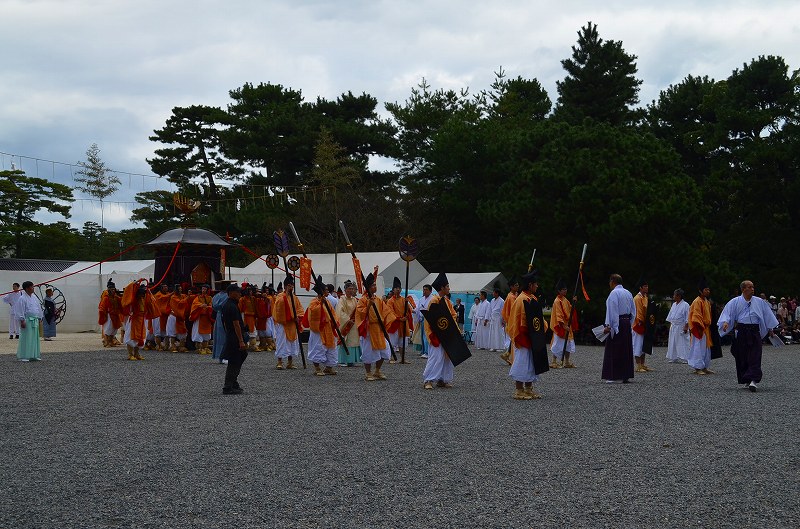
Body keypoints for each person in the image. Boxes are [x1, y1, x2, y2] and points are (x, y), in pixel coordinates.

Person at [718, 280, 779, 392]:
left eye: (753, 287)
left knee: (755, 355)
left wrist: (771, 329)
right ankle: (747, 377)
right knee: (742, 355)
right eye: (749, 287)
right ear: (743, 289)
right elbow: (728, 313)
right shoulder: (735, 301)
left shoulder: (759, 301)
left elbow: (767, 315)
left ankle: (753, 380)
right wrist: (726, 322)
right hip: (742, 330)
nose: (752, 289)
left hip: (754, 331)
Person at [507, 271, 547, 399]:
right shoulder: (521, 299)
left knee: (532, 362)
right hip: (523, 336)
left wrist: (540, 329)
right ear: (530, 285)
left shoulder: (532, 298)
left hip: (532, 336)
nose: (537, 286)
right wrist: (528, 332)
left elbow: (538, 318)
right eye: (535, 284)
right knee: (522, 362)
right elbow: (518, 320)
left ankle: (529, 389)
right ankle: (519, 390)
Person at [421, 272, 460, 389]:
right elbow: (431, 319)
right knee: (436, 357)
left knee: (447, 357)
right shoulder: (434, 300)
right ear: (442, 288)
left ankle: (442, 379)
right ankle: (428, 380)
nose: (449, 288)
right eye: (447, 286)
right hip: (437, 334)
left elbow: (453, 315)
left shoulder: (447, 301)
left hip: (447, 333)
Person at [356, 272, 392, 381]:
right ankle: (368, 373)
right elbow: (360, 313)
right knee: (368, 352)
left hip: (379, 328)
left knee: (384, 350)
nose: (375, 287)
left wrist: (386, 321)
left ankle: (377, 370)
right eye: (373, 285)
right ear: (368, 287)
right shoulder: (363, 300)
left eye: (375, 285)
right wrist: (368, 305)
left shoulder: (378, 299)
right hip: (369, 328)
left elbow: (386, 311)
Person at [602, 274, 636, 383]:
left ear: (613, 281)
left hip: (618, 322)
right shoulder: (628, 293)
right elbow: (633, 311)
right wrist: (630, 323)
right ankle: (625, 375)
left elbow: (612, 311)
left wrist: (610, 326)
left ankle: (614, 376)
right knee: (625, 349)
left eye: (610, 282)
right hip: (626, 322)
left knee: (614, 349)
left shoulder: (614, 293)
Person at [303, 276, 340, 376]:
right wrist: (320, 305)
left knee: (331, 347)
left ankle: (329, 367)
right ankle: (317, 368)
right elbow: (313, 312)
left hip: (328, 327)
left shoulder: (327, 301)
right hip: (319, 328)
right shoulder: (314, 302)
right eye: (326, 290)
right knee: (318, 347)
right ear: (321, 291)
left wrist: (335, 322)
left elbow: (333, 313)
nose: (328, 291)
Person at [221, 284, 248, 394]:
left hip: (232, 335)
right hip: (235, 336)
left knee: (241, 356)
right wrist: (241, 341)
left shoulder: (229, 304)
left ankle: (233, 382)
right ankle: (228, 386)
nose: (239, 294)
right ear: (231, 293)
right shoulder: (231, 306)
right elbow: (236, 324)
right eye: (238, 292)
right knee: (234, 360)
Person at [121, 280, 158, 361]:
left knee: (140, 337)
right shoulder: (133, 299)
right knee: (130, 337)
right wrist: (135, 283)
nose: (142, 295)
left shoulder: (145, 299)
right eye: (141, 293)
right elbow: (128, 290)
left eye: (143, 293)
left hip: (142, 320)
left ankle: (137, 353)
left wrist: (148, 291)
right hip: (134, 320)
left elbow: (152, 301)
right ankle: (130, 354)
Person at [272, 275, 304, 370]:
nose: (292, 287)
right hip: (284, 323)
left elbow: (299, 309)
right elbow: (278, 309)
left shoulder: (294, 298)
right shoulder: (280, 297)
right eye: (290, 286)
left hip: (292, 324)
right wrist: (285, 295)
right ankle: (280, 361)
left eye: (292, 286)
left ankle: (290, 362)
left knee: (292, 343)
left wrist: (298, 317)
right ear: (285, 286)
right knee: (281, 342)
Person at [688, 278, 714, 375]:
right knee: (698, 348)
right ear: (700, 291)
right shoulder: (697, 301)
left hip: (705, 328)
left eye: (708, 289)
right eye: (706, 290)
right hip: (699, 328)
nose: (708, 291)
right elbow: (696, 316)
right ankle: (698, 368)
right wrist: (699, 327)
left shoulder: (706, 301)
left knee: (706, 349)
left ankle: (704, 367)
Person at [549, 279, 577, 368]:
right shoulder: (557, 301)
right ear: (559, 291)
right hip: (560, 325)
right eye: (563, 289)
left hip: (567, 325)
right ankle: (553, 361)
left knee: (568, 344)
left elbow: (570, 310)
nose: (565, 291)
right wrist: (564, 326)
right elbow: (558, 314)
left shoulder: (565, 300)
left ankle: (567, 362)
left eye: (566, 289)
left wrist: (574, 302)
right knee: (557, 344)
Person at [12, 281, 43, 361]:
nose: (33, 288)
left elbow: (38, 308)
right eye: (32, 287)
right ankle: (24, 356)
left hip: (35, 319)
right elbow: (20, 310)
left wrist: (40, 317)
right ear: (27, 288)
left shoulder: (34, 297)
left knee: (34, 338)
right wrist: (22, 320)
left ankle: (33, 355)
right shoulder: (22, 298)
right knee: (26, 338)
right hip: (27, 320)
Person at [386, 276, 414, 361]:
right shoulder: (390, 301)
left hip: (403, 323)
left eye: (399, 288)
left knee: (402, 342)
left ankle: (402, 358)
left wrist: (407, 305)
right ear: (393, 290)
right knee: (392, 342)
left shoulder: (403, 300)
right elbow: (390, 312)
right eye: (396, 288)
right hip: (395, 323)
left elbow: (409, 310)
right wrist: (399, 318)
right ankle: (391, 358)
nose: (398, 290)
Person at [335, 280, 362, 366]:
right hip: (346, 323)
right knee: (346, 341)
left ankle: (352, 360)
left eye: (352, 289)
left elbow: (357, 311)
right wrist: (347, 320)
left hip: (354, 324)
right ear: (345, 290)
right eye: (349, 289)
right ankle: (344, 359)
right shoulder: (342, 299)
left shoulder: (354, 300)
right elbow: (340, 312)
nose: (351, 290)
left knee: (353, 341)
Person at [632, 278, 652, 373]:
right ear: (640, 288)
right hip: (638, 324)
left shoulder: (645, 297)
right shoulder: (637, 298)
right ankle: (638, 365)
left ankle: (643, 364)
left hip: (645, 323)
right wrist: (642, 322)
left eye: (647, 286)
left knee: (644, 345)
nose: (647, 288)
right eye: (645, 286)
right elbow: (639, 313)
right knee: (638, 345)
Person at [665, 288, 690, 363]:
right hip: (674, 325)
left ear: (679, 296)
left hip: (681, 325)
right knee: (672, 342)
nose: (673, 296)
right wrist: (670, 325)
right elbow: (671, 316)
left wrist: (686, 326)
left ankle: (685, 358)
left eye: (674, 295)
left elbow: (688, 316)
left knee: (683, 342)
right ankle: (674, 357)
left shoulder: (685, 305)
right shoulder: (674, 305)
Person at [211, 281, 233, 363]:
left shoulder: (216, 296)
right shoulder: (227, 296)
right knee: (225, 335)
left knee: (219, 335)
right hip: (225, 315)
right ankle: (224, 356)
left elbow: (214, 306)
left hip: (218, 315)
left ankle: (220, 356)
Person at [98, 279, 123, 347]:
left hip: (115, 315)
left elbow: (121, 303)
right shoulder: (106, 297)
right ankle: (107, 342)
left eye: (114, 289)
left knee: (114, 329)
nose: (113, 291)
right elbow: (102, 307)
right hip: (109, 315)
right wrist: (103, 313)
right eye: (111, 289)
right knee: (108, 328)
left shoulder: (116, 297)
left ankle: (111, 341)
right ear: (108, 290)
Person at [190, 284, 214, 354]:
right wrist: (200, 305)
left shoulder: (210, 298)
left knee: (207, 333)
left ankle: (205, 347)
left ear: (208, 290)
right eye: (202, 289)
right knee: (198, 332)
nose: (203, 290)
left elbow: (212, 305)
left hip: (207, 318)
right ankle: (199, 348)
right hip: (200, 317)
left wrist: (208, 307)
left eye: (205, 289)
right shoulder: (198, 297)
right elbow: (195, 304)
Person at [500, 279, 519, 364]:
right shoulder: (511, 297)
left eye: (518, 285)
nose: (518, 286)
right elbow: (514, 310)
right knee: (514, 339)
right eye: (516, 285)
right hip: (513, 320)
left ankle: (507, 354)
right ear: (511, 287)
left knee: (513, 339)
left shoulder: (514, 295)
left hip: (512, 320)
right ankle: (512, 358)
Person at [167, 284, 190, 352]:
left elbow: (188, 298)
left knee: (183, 332)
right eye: (179, 289)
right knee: (172, 331)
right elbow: (179, 303)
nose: (180, 290)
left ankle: (181, 346)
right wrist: (187, 297)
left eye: (181, 289)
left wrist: (190, 295)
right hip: (173, 317)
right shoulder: (173, 297)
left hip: (181, 317)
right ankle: (172, 346)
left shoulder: (183, 296)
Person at [412, 284, 433, 358]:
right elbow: (418, 309)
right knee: (422, 336)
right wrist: (412, 310)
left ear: (430, 291)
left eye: (426, 290)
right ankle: (423, 351)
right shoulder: (421, 299)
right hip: (421, 319)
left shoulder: (432, 299)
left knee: (426, 336)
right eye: (423, 290)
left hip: (428, 319)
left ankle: (427, 352)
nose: (424, 291)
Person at [153, 283, 172, 350]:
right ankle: (158, 345)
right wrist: (171, 294)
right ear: (161, 288)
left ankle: (166, 345)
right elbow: (163, 298)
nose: (166, 288)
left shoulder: (168, 294)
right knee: (158, 332)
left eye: (166, 286)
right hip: (158, 315)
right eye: (164, 287)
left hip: (165, 315)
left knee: (166, 331)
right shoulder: (157, 295)